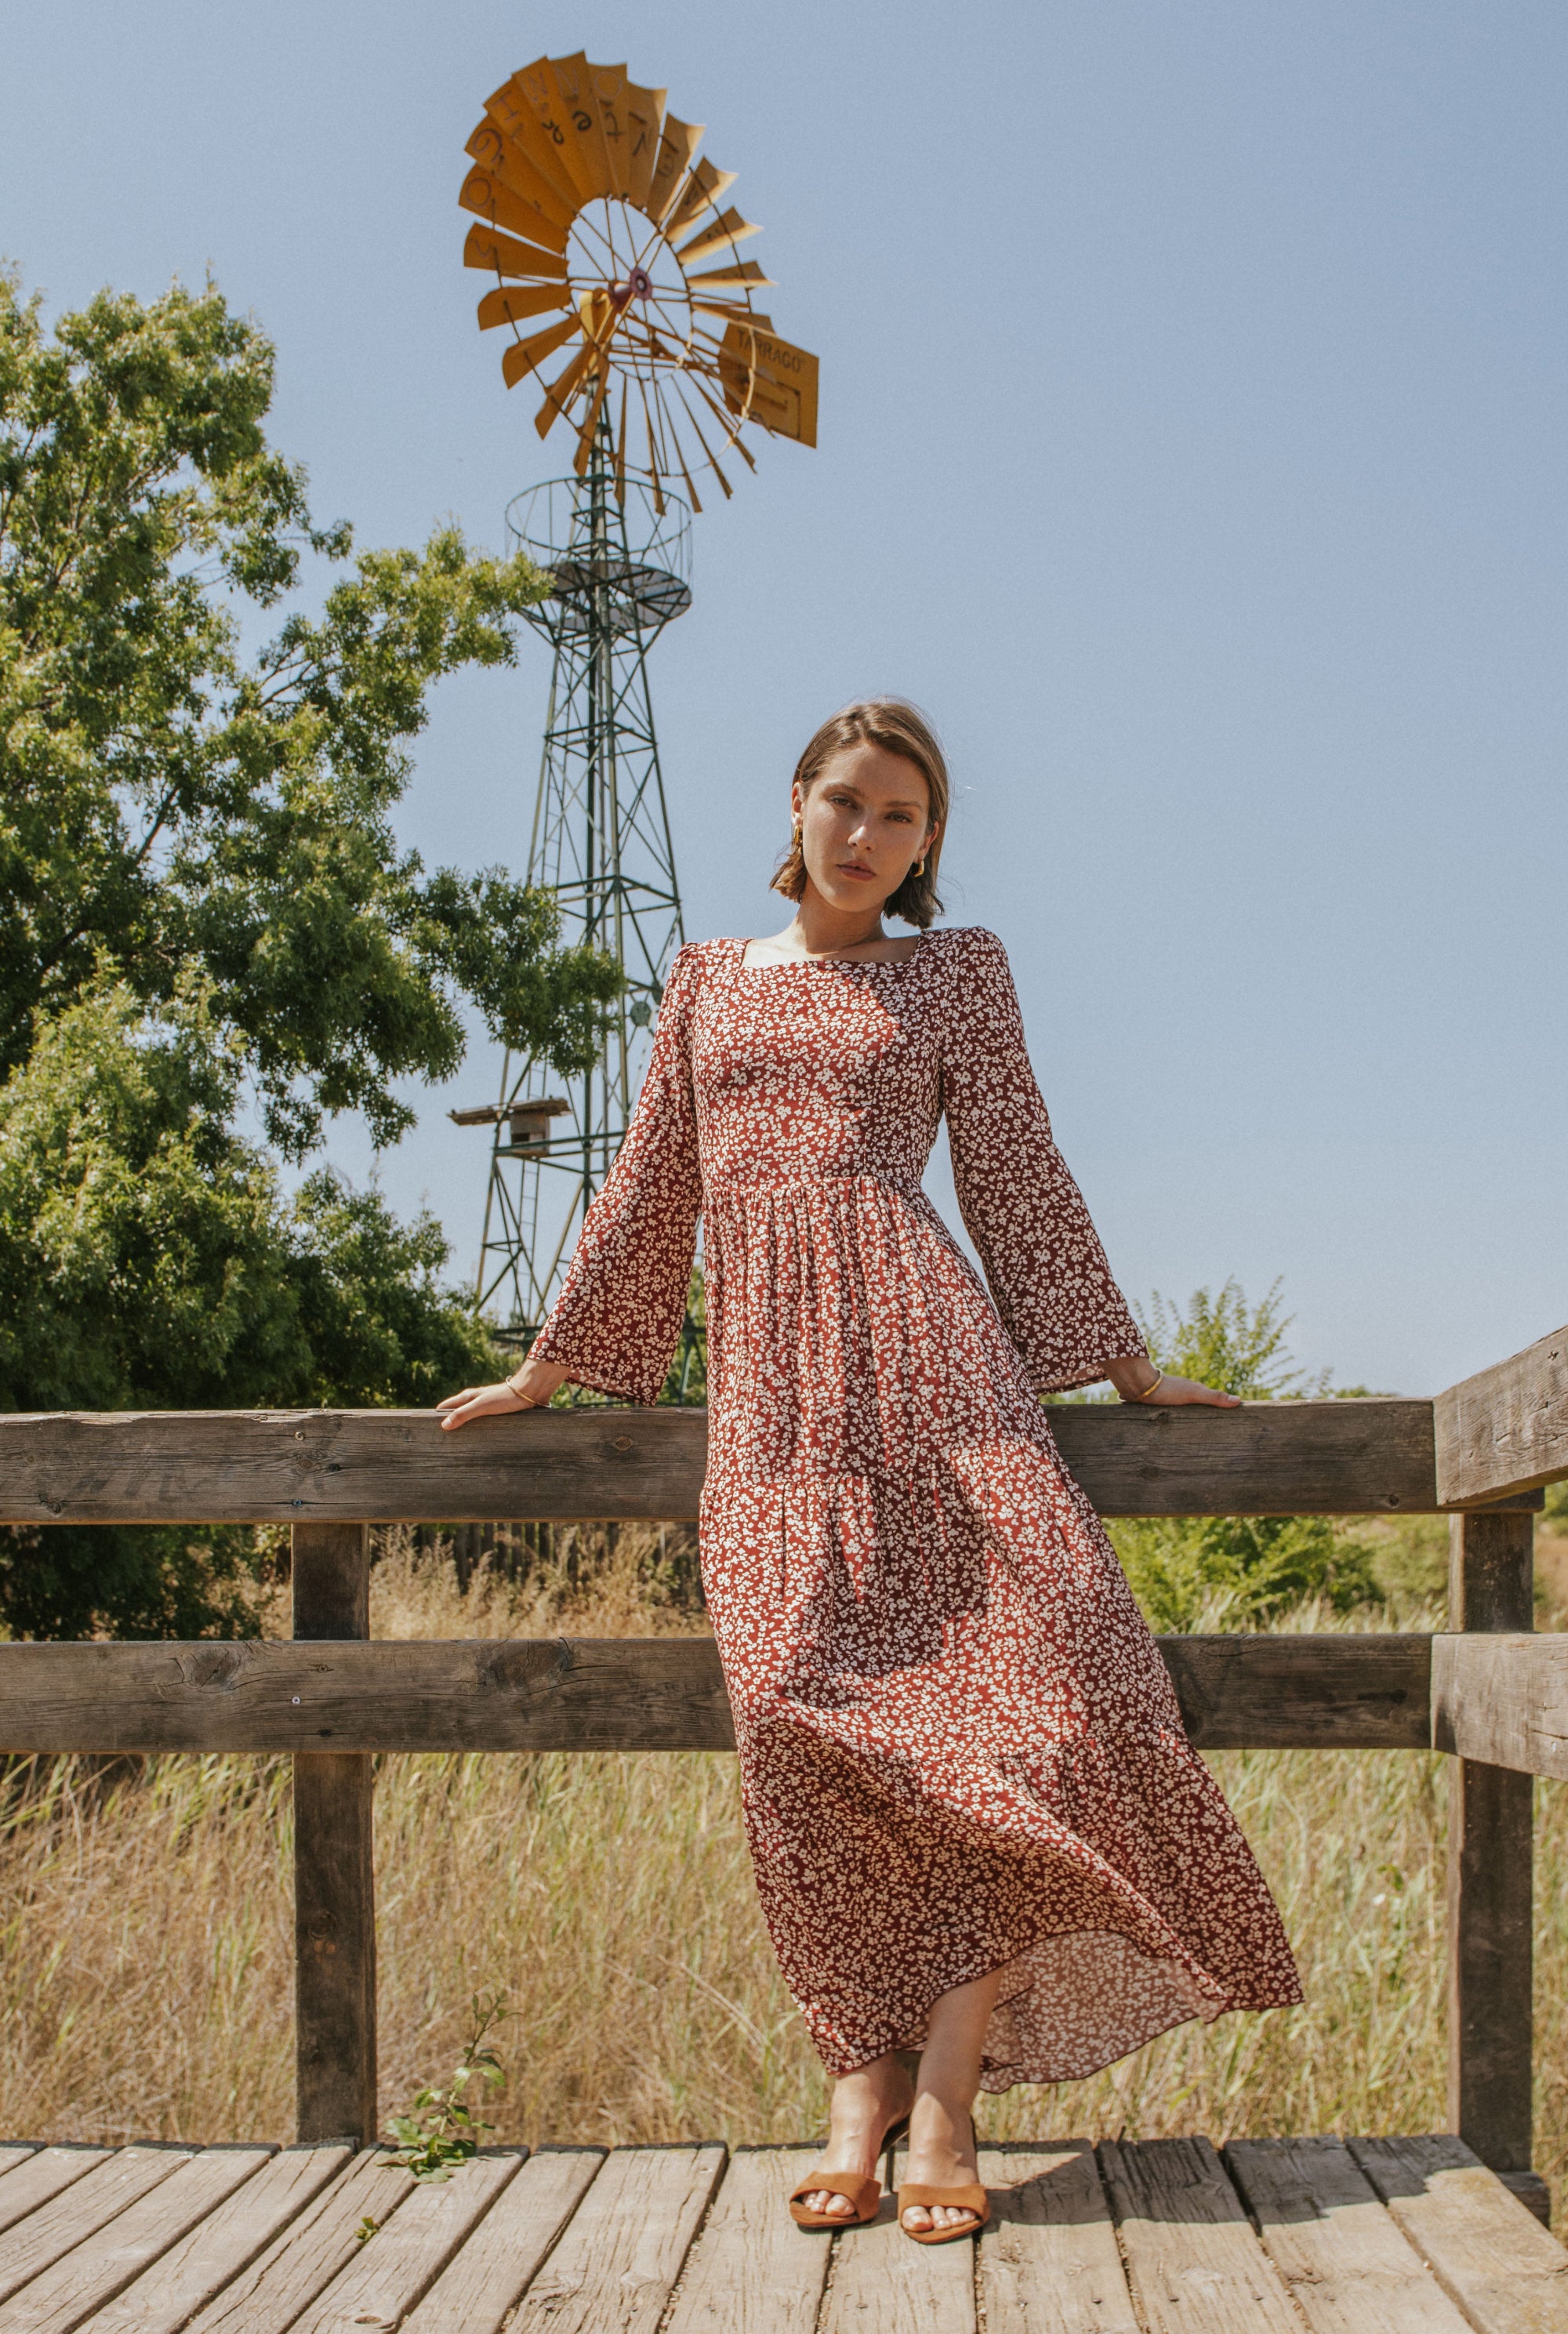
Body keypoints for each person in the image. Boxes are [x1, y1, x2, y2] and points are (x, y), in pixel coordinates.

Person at [440, 699, 1302, 2241]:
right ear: (793, 804)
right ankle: (857, 2066)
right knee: (783, 1705)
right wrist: (550, 1366)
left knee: (998, 1722)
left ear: (927, 845)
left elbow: (1016, 1159)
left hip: (934, 1368)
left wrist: (1122, 1362)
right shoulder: (704, 980)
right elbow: (649, 1180)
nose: (863, 834)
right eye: (843, 801)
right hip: (769, 1398)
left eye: (898, 816)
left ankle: (937, 2103)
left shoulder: (953, 973)